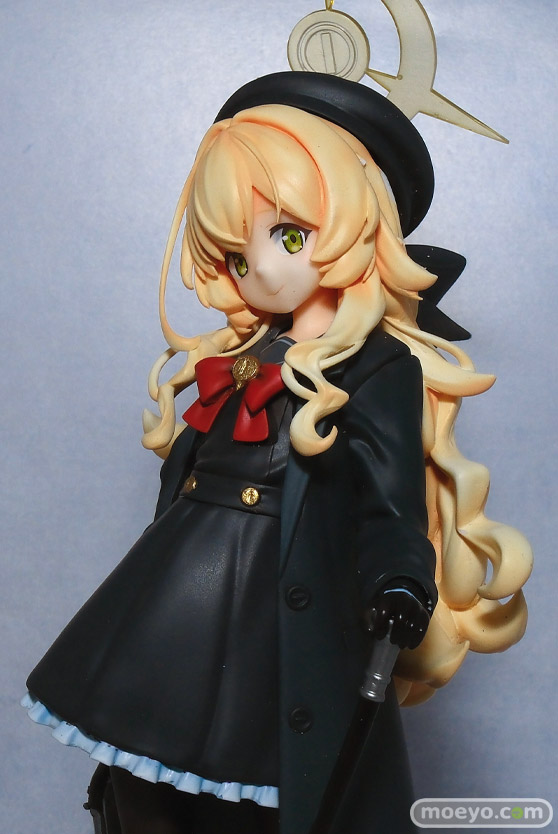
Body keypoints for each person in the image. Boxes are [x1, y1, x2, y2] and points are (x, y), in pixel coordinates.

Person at [23, 73, 531, 834]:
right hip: (177, 596)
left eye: (288, 236)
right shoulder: (239, 355)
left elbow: (390, 506)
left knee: (273, 784)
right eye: (235, 254)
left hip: (282, 604)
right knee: (140, 763)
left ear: (356, 228)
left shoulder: (375, 367)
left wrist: (399, 580)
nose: (258, 268)